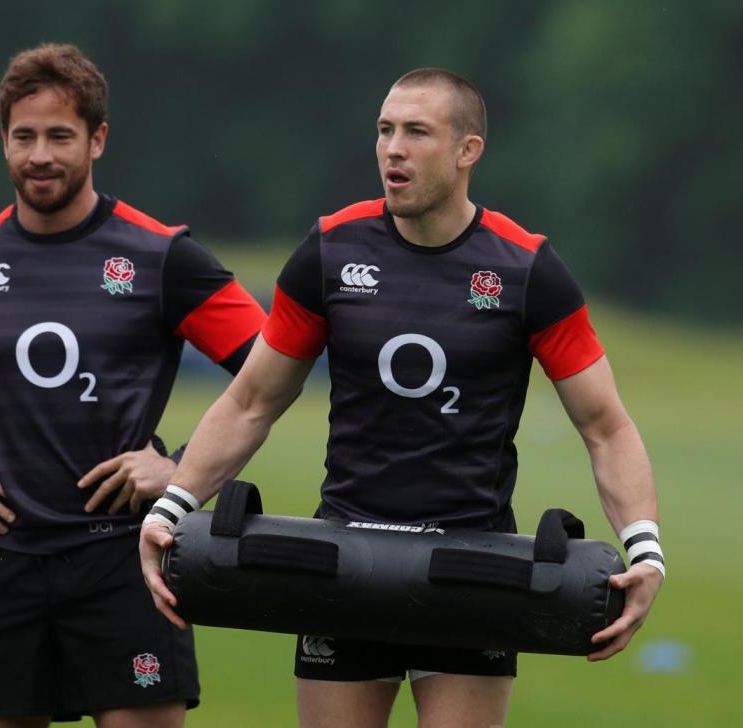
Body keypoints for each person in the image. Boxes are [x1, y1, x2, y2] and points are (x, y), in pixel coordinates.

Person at [140, 68, 665, 728]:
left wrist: (645, 550)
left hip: (472, 571)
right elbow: (252, 401)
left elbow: (605, 427)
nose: (393, 148)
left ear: (466, 150)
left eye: (417, 132)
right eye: (385, 130)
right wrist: (173, 506)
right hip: (343, 563)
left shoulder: (526, 270)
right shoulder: (332, 251)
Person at [0, 43, 266, 728]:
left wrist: (179, 470)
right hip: (3, 564)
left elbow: (265, 374)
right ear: (4, 141)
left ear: (97, 140)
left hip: (125, 559)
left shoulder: (161, 256)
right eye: (24, 136)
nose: (39, 154)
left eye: (59, 136)